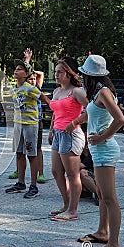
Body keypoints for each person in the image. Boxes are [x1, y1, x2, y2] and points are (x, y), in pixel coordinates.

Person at [77, 54, 124, 247]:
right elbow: (95, 114)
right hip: (100, 150)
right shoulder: (100, 92)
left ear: (90, 76)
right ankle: (102, 232)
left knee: (109, 198)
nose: (81, 78)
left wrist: (103, 137)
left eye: (83, 75)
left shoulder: (103, 92)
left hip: (105, 150)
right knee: (104, 196)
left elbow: (120, 119)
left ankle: (114, 244)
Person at [48, 57, 88, 221]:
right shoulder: (57, 91)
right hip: (58, 133)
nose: (56, 75)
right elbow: (55, 112)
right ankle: (66, 205)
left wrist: (76, 122)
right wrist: (51, 130)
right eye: (55, 72)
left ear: (69, 74)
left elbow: (92, 111)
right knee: (56, 171)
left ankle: (73, 210)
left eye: (60, 72)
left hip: (71, 134)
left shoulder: (77, 92)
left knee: (72, 174)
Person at [5, 59, 50, 198]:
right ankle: (21, 182)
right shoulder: (15, 89)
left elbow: (45, 100)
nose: (16, 71)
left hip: (30, 125)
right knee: (19, 153)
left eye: (19, 69)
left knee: (31, 154)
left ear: (26, 74)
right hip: (18, 124)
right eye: (16, 68)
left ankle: (34, 185)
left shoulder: (30, 88)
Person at [79, 139, 98, 204]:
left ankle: (98, 194)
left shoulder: (92, 154)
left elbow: (78, 166)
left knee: (82, 172)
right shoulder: (80, 154)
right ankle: (85, 191)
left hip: (96, 176)